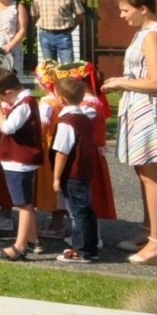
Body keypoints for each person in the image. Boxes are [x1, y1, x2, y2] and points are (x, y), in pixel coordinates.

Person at [102, 0, 157, 266]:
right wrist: (122, 82)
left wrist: (122, 82)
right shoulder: (146, 32)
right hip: (139, 106)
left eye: (125, 10)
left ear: (143, 8)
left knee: (151, 173)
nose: (122, 15)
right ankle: (149, 230)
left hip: (151, 108)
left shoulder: (154, 35)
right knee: (142, 169)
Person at [0, 68, 43, 262]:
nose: (2, 102)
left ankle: (19, 247)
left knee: (23, 205)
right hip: (17, 161)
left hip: (19, 162)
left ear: (9, 92)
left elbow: (8, 127)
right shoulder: (23, 102)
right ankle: (31, 238)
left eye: (1, 98)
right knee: (24, 202)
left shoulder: (23, 104)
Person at [50, 74, 99, 263]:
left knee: (77, 212)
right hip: (84, 170)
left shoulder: (66, 122)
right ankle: (91, 246)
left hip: (72, 173)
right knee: (86, 210)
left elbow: (62, 152)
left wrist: (56, 177)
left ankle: (81, 250)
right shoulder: (84, 118)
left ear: (61, 99)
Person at [32, 0, 86, 65]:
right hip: (45, 35)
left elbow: (80, 14)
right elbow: (35, 14)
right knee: (49, 68)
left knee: (67, 67)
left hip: (63, 35)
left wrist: (69, 28)